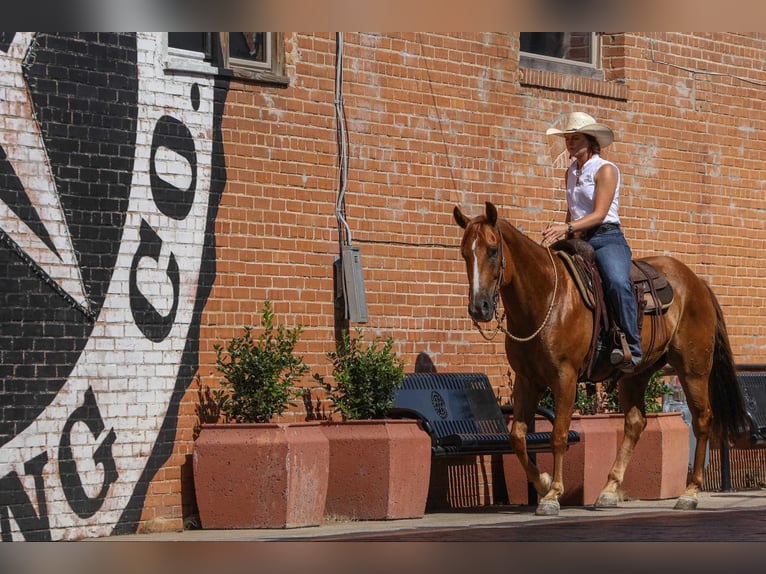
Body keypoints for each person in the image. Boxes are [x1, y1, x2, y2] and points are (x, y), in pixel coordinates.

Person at [541, 111, 642, 372]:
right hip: (577, 237)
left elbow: (598, 214)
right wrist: (562, 234)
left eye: (574, 138)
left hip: (606, 237)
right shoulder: (570, 172)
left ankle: (632, 345)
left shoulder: (606, 170)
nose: (569, 143)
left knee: (618, 282)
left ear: (590, 140)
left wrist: (567, 226)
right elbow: (572, 209)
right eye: (567, 138)